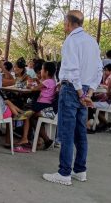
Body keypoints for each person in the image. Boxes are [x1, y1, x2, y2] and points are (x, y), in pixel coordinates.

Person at [43, 10, 103, 186]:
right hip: (84, 90)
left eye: (64, 23)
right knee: (80, 132)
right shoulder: (92, 42)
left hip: (72, 89)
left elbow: (71, 70)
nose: (64, 27)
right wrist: (89, 93)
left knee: (67, 132)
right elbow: (98, 70)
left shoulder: (71, 40)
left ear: (69, 23)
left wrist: (80, 93)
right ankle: (80, 170)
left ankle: (64, 173)